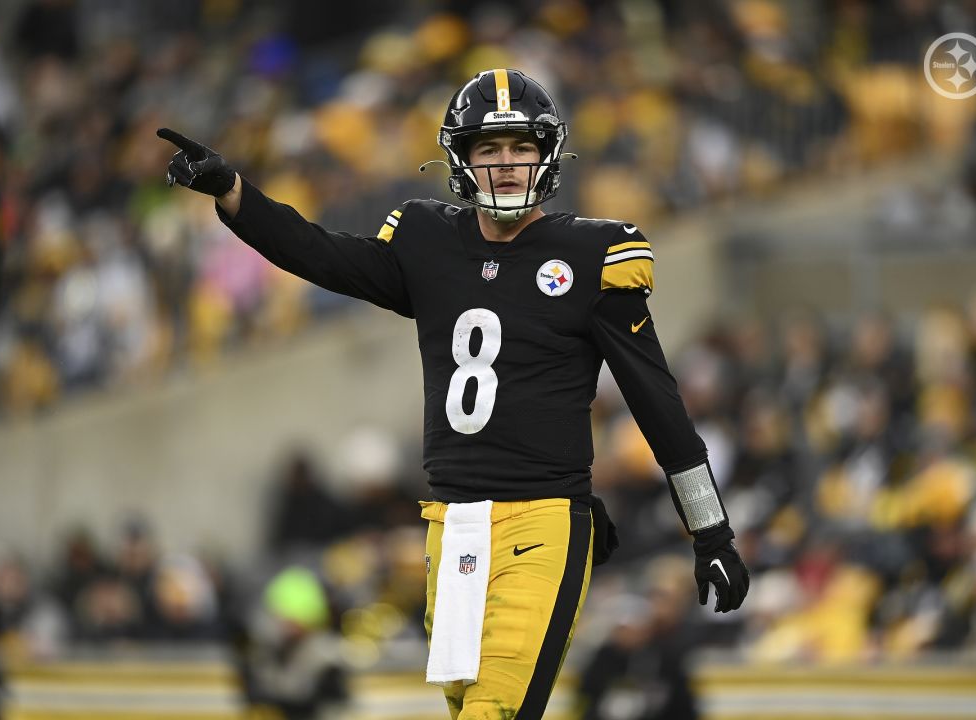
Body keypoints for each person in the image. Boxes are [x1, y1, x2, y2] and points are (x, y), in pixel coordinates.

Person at [159, 68, 749, 720]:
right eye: (488, 149)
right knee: (468, 709)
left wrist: (711, 531)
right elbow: (318, 253)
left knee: (493, 712)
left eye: (520, 147)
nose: (504, 164)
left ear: (546, 153)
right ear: (461, 158)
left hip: (542, 520)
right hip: (453, 528)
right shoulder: (427, 239)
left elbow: (656, 403)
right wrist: (235, 192)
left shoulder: (593, 254)